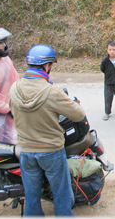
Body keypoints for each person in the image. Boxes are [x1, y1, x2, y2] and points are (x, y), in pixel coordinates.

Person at [8, 44, 85, 216]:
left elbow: (11, 111)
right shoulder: (52, 92)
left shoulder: (14, 88)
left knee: (32, 196)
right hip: (51, 151)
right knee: (61, 195)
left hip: (26, 151)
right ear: (47, 66)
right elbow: (78, 114)